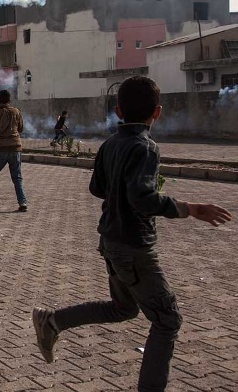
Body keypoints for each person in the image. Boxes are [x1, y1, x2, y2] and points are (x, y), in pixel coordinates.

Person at [31, 76, 232, 392]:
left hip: (111, 241)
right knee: (168, 320)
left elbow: (97, 187)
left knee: (123, 308)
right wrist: (190, 208)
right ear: (158, 112)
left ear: (118, 110)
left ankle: (52, 321)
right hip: (133, 246)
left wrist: (119, 192)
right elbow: (142, 198)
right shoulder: (145, 147)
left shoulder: (110, 144)